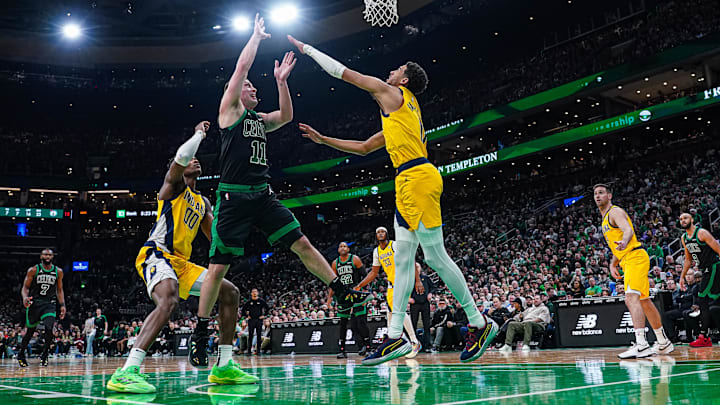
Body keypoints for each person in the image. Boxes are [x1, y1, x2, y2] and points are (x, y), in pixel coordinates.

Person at [288, 34, 497, 366]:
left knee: (435, 257)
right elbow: (364, 147)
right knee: (402, 261)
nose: (390, 71)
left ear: (405, 80)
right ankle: (395, 335)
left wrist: (308, 48)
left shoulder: (395, 94)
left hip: (417, 178)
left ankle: (479, 322)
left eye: (397, 69)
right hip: (406, 182)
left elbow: (344, 73)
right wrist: (323, 139)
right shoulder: (402, 116)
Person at [190, 14, 368, 376]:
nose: (255, 90)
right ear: (237, 91)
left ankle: (341, 289)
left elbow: (286, 116)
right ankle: (200, 329)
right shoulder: (230, 112)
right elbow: (241, 65)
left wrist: (281, 82)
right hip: (234, 200)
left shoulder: (259, 119)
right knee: (218, 266)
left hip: (264, 196)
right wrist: (255, 38)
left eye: (257, 87)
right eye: (251, 87)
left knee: (302, 243)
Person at [106, 122, 246, 394]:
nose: (195, 160)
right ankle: (128, 370)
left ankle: (225, 365)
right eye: (189, 159)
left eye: (197, 159)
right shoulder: (172, 187)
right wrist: (198, 135)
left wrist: (237, 212)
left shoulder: (202, 201)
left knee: (230, 292)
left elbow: (215, 236)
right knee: (168, 299)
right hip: (156, 253)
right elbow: (182, 158)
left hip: (181, 263)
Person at [593, 184, 673, 358]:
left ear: (610, 195)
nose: (597, 196)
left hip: (634, 257)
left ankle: (642, 344)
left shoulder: (614, 212)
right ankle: (663, 342)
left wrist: (624, 242)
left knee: (631, 298)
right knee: (644, 301)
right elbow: (618, 246)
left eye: (601, 193)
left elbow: (628, 231)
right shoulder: (605, 218)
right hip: (628, 259)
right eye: (595, 194)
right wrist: (613, 263)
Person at [355, 226, 423, 358]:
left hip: (403, 280)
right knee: (390, 314)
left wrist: (418, 280)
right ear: (376, 236)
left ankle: (414, 341)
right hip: (392, 285)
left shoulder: (395, 245)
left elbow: (410, 259)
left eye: (382, 232)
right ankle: (395, 342)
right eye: (378, 232)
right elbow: (374, 272)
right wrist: (360, 285)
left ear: (386, 234)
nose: (380, 234)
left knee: (398, 311)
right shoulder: (376, 252)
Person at [17, 248, 66, 367]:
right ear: (41, 256)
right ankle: (21, 354)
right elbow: (25, 288)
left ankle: (45, 354)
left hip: (49, 303)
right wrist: (25, 298)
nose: (47, 256)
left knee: (49, 328)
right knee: (30, 332)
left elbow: (59, 290)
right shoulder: (33, 270)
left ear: (53, 256)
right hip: (35, 303)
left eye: (50, 254)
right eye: (45, 254)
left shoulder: (58, 271)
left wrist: (63, 305)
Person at [679, 212, 720, 347]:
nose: (682, 220)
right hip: (705, 270)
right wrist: (681, 277)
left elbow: (718, 249)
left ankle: (704, 336)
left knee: (702, 299)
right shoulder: (684, 238)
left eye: (685, 218)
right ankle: (705, 335)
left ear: (692, 219)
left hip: (714, 267)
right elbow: (688, 260)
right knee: (705, 301)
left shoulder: (701, 233)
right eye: (680, 219)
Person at [326, 242, 372, 358]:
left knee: (361, 321)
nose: (342, 248)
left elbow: (365, 275)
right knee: (343, 323)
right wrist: (329, 299)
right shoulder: (335, 263)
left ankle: (368, 347)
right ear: (338, 250)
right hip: (342, 295)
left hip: (355, 293)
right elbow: (333, 283)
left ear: (348, 249)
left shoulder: (354, 259)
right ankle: (342, 350)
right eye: (340, 246)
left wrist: (361, 287)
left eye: (345, 246)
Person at [410, 265, 435, 352]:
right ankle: (415, 345)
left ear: (420, 268)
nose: (416, 268)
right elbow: (404, 290)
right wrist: (408, 298)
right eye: (415, 267)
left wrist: (430, 293)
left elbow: (433, 287)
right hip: (414, 304)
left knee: (426, 325)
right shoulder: (410, 278)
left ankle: (427, 346)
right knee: (413, 325)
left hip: (425, 303)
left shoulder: (425, 278)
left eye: (418, 267)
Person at [241, 289, 268, 355]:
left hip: (259, 320)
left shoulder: (261, 301)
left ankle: (258, 350)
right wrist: (246, 316)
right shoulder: (249, 301)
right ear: (251, 294)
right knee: (250, 335)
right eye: (253, 292)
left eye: (255, 292)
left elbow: (267, 308)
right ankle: (249, 351)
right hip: (251, 320)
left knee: (259, 335)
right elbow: (243, 310)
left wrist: (264, 316)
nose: (254, 293)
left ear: (258, 293)